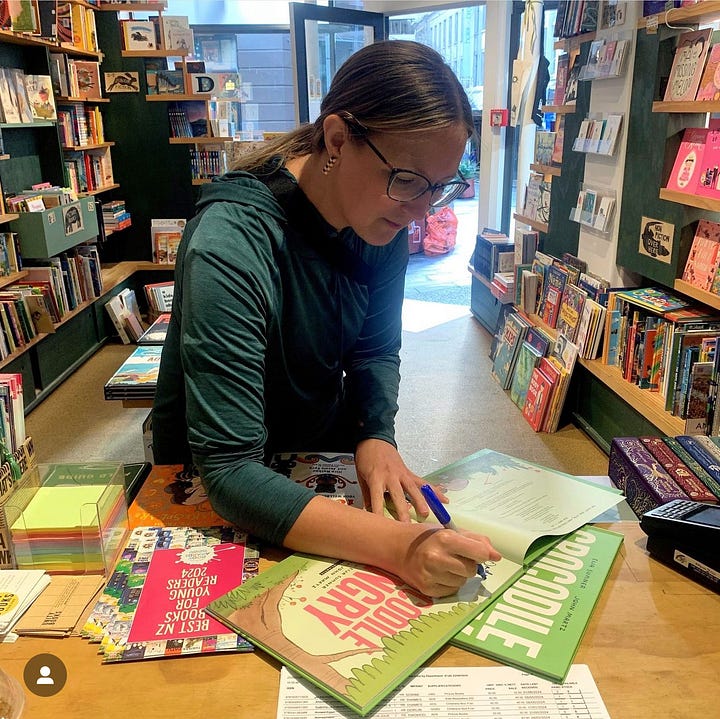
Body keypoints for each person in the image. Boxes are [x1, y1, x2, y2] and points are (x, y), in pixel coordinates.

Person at [152, 40, 501, 598]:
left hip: (312, 461)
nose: (421, 212)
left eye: (440, 188)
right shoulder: (231, 241)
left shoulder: (380, 219)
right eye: (409, 180)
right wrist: (403, 549)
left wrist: (373, 436)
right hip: (215, 487)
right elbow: (230, 470)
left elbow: (373, 350)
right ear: (337, 139)